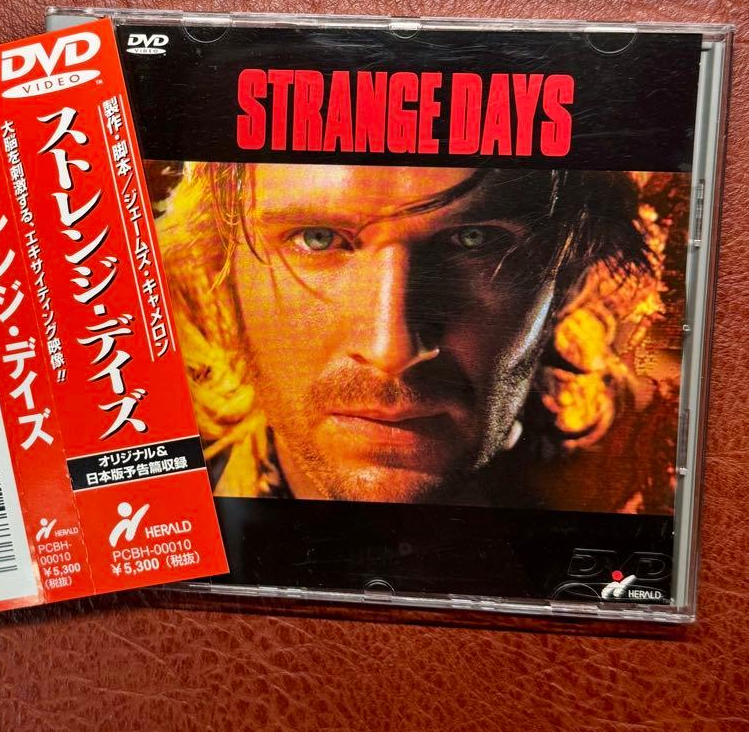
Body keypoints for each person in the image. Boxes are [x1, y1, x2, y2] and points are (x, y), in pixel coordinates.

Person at [155, 161, 681, 512]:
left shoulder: (656, 522)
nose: (393, 349)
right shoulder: (152, 531)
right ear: (220, 266)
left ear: (572, 277)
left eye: (473, 240)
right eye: (318, 238)